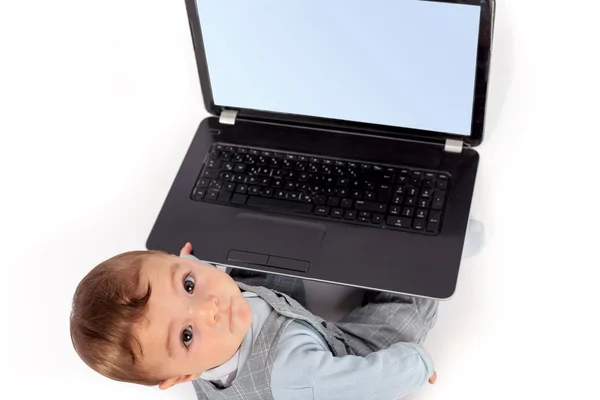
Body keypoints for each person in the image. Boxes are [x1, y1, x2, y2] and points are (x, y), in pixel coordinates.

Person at [70, 242, 440, 400]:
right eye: (186, 336)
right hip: (326, 360)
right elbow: (362, 385)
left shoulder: (219, 313)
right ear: (184, 377)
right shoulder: (295, 374)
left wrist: (205, 260)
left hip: (273, 312)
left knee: (267, 244)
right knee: (410, 302)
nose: (209, 308)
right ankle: (438, 251)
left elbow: (198, 283)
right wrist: (414, 365)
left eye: (187, 283)